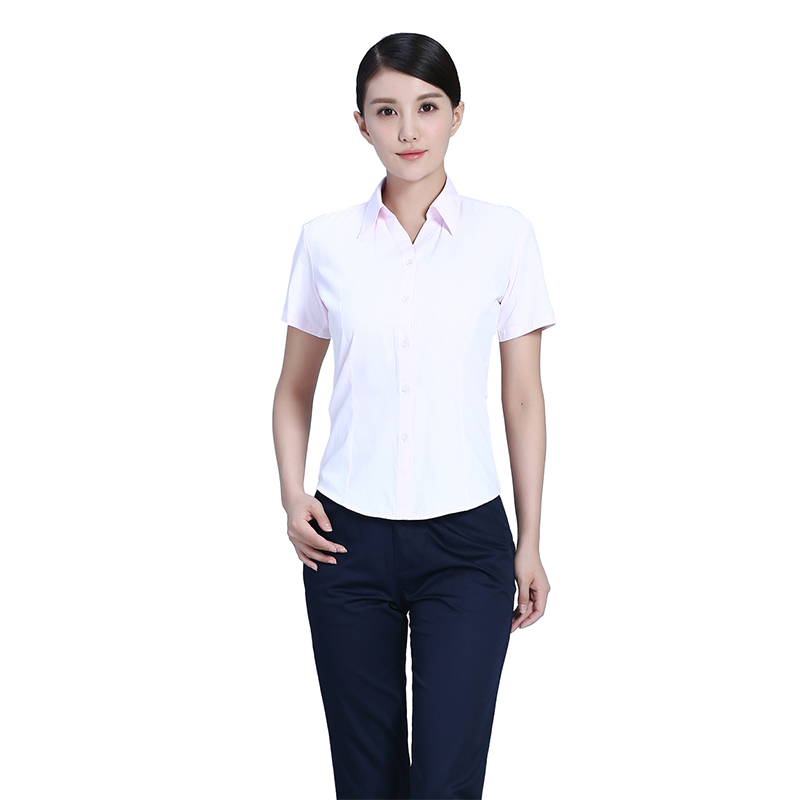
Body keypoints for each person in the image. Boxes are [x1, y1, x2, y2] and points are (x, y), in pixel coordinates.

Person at [273, 31, 555, 800]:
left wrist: (530, 540)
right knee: (365, 784)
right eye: (386, 110)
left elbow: (523, 397)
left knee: (445, 784)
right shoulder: (325, 242)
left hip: (467, 542)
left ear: (458, 115)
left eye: (427, 108)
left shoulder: (505, 236)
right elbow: (294, 388)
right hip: (345, 540)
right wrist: (292, 493)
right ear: (360, 123)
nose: (408, 130)